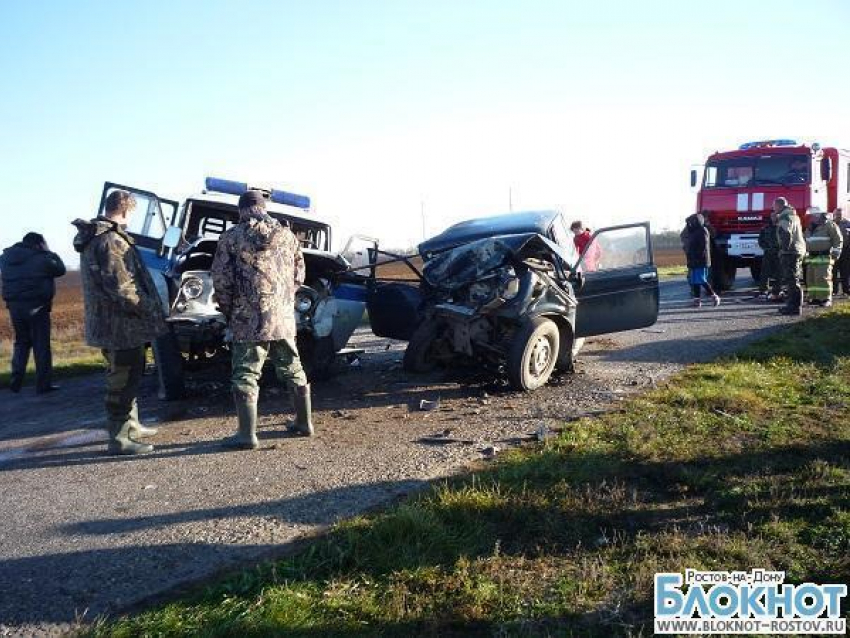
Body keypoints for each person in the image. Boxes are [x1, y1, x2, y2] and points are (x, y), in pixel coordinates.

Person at [211, 190, 312, 450]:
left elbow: (221, 281)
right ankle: (304, 424)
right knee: (293, 366)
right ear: (263, 207)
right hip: (282, 317)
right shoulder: (288, 236)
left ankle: (247, 435)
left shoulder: (231, 237)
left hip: (247, 318)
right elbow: (299, 274)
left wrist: (229, 310)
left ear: (241, 210)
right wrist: (285, 300)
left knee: (246, 373)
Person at [72, 191, 166, 455]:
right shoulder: (111, 240)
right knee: (122, 380)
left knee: (129, 374)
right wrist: (149, 309)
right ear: (125, 211)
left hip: (113, 323)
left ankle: (131, 425)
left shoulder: (98, 237)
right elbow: (123, 288)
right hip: (120, 325)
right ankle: (120, 438)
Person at [0, 232, 66, 393]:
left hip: (14, 306)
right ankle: (43, 385)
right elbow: (60, 270)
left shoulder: (5, 258)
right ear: (38, 244)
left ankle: (15, 382)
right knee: (41, 345)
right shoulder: (42, 258)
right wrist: (49, 251)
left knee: (21, 342)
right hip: (37, 306)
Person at [774, 197, 807, 316]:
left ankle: (794, 307)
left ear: (779, 205)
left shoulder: (784, 217)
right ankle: (793, 305)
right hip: (797, 250)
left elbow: (786, 234)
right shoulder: (793, 215)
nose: (773, 208)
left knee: (792, 279)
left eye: (774, 206)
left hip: (791, 252)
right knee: (793, 279)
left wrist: (784, 250)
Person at [803, 211, 842, 307]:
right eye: (813, 215)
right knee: (811, 279)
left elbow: (837, 239)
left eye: (815, 214)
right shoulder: (810, 227)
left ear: (821, 215)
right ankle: (814, 298)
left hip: (824, 256)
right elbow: (805, 241)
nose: (813, 216)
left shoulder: (829, 225)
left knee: (823, 278)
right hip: (811, 257)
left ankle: (825, 298)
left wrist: (836, 253)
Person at [682, 213, 720, 307]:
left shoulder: (703, 230)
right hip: (694, 260)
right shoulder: (693, 231)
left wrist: (696, 257)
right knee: (694, 280)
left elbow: (703, 247)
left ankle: (714, 296)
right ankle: (697, 300)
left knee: (701, 279)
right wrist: (687, 222)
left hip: (701, 260)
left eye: (692, 222)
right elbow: (688, 236)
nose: (690, 224)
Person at [757, 211, 781, 301]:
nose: (774, 217)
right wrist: (766, 248)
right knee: (765, 272)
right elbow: (760, 240)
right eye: (772, 216)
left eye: (775, 215)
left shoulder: (782, 227)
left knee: (779, 273)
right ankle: (763, 290)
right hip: (768, 253)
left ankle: (777, 290)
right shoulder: (765, 228)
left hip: (779, 253)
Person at [831, 208, 850, 296]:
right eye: (837, 214)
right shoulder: (830, 224)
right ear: (834, 215)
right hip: (833, 251)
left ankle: (846, 291)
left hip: (845, 251)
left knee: (845, 272)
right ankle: (834, 291)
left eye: (840, 215)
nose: (839, 216)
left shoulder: (848, 224)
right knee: (833, 272)